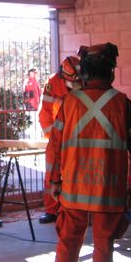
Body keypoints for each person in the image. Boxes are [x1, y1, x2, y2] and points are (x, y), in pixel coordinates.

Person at [44, 43, 131, 262]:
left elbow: (54, 147)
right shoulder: (122, 104)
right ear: (111, 71)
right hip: (108, 192)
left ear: (85, 72)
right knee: (104, 246)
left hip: (73, 191)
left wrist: (53, 182)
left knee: (68, 243)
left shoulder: (69, 103)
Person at [37, 56, 81, 224]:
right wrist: (53, 137)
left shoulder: (83, 82)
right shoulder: (52, 84)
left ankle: (74, 208)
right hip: (57, 136)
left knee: (76, 172)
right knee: (51, 172)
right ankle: (51, 210)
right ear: (63, 76)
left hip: (76, 136)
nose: (75, 84)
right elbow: (45, 113)